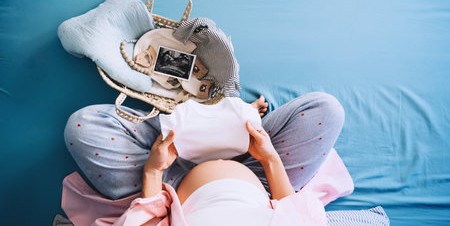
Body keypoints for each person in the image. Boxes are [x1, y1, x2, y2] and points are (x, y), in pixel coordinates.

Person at [63, 92, 353, 225]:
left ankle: (182, 128)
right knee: (327, 110)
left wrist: (153, 170)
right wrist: (269, 158)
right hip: (261, 176)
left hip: (170, 184)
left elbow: (147, 220)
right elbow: (294, 211)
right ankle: (230, 129)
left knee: (82, 127)